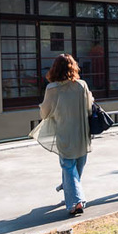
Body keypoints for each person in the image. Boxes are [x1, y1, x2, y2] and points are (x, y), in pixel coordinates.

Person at [37, 54, 94, 216]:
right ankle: (73, 194)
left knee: (68, 167)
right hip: (82, 132)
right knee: (77, 166)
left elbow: (45, 113)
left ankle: (76, 201)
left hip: (64, 132)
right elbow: (89, 108)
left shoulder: (52, 88)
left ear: (55, 69)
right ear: (73, 67)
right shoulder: (82, 85)